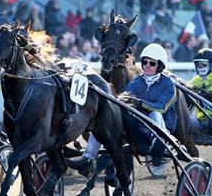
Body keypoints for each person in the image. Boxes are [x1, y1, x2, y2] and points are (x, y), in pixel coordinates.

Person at [76, 43, 178, 183]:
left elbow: (162, 107)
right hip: (139, 127)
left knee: (155, 114)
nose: (147, 65)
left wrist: (140, 103)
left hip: (160, 128)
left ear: (159, 66)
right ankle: (87, 158)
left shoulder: (168, 85)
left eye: (152, 63)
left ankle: (158, 144)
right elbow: (126, 95)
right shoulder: (137, 81)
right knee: (102, 122)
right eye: (145, 62)